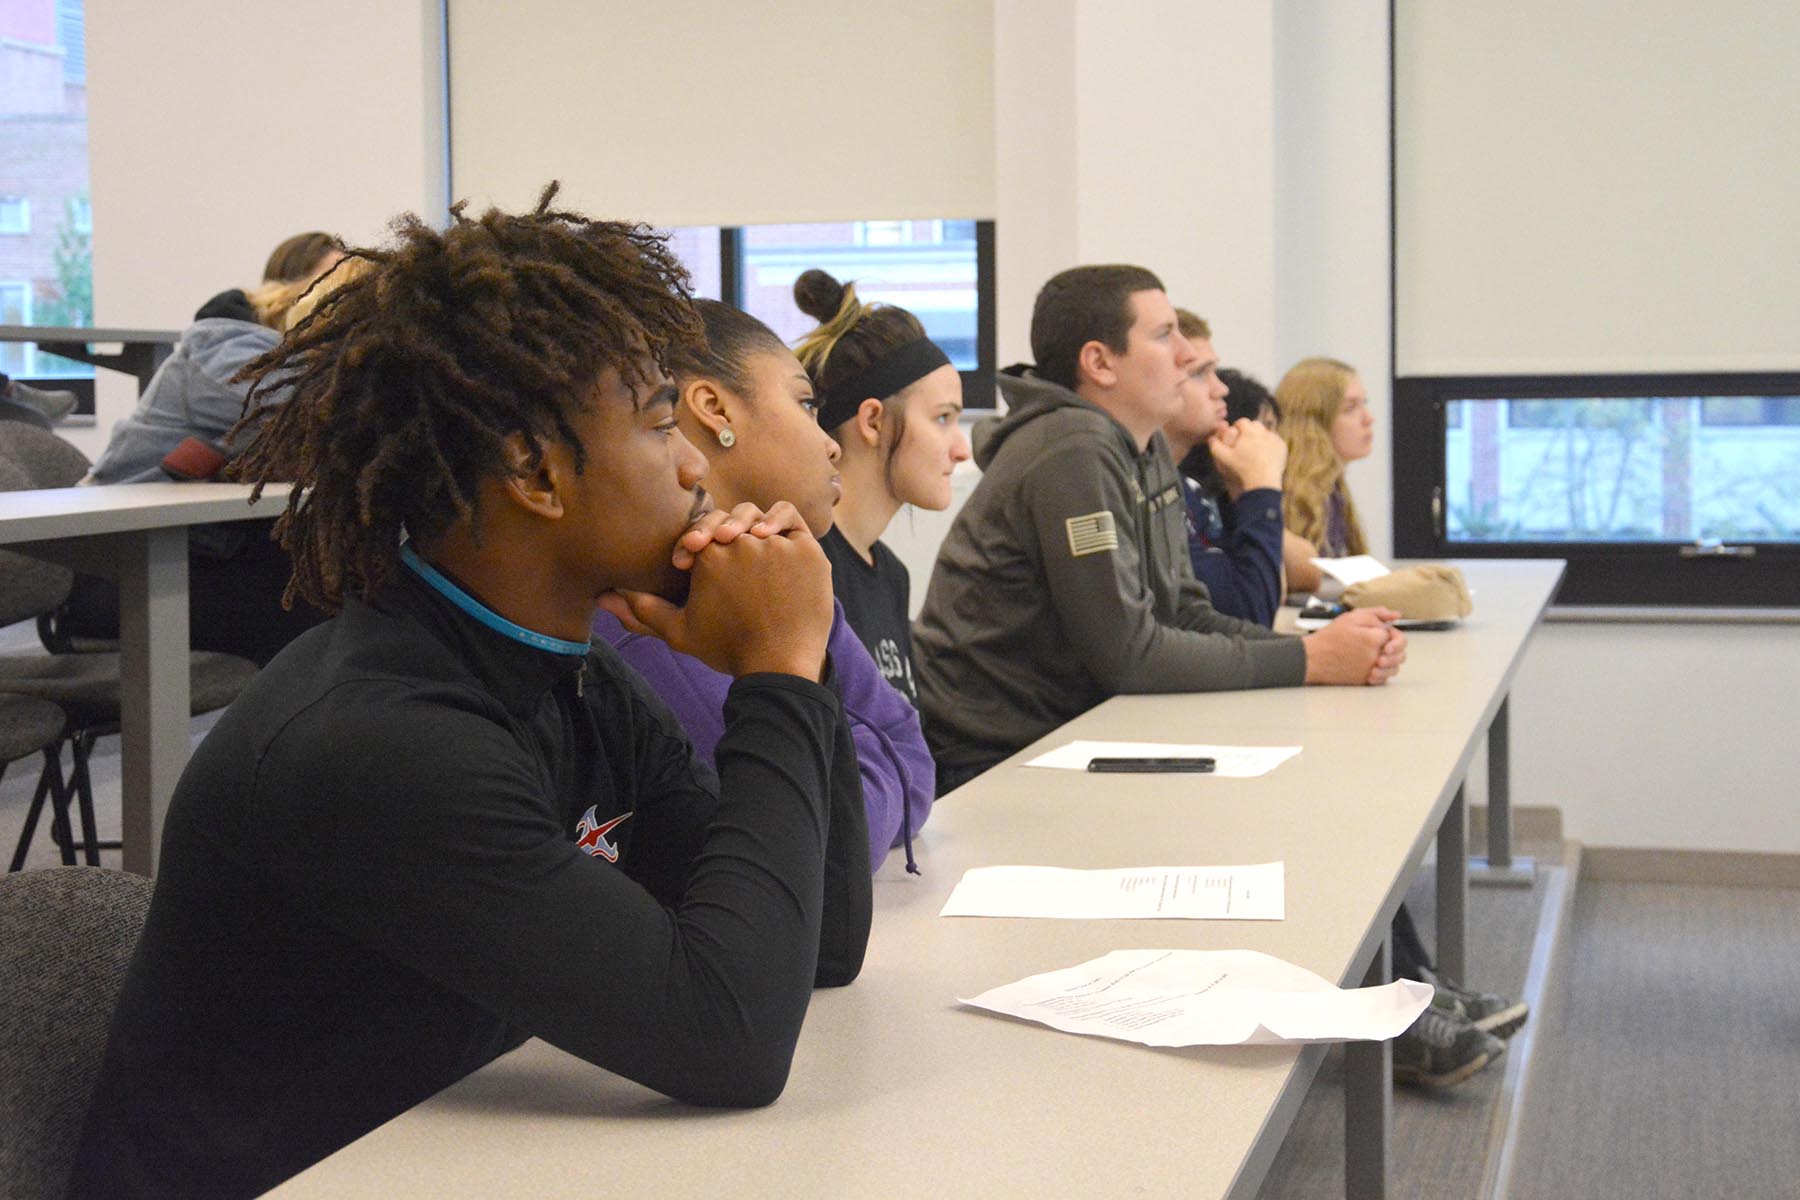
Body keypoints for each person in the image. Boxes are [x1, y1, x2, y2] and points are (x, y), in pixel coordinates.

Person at [69, 188, 872, 1200]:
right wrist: (776, 673)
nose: (692, 466)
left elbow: (823, 943)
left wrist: (796, 660)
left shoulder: (570, 674)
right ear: (535, 475)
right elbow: (733, 1039)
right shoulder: (378, 741)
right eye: (662, 422)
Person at [912, 264, 1407, 797]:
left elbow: (1182, 611)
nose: (1186, 355)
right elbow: (1129, 656)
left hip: (1065, 737)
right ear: (1100, 363)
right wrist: (1310, 660)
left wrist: (1321, 649)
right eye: (1165, 335)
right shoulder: (1073, 448)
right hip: (991, 759)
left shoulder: (1141, 446)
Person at [594, 298, 935, 873]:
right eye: (806, 404)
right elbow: (822, 839)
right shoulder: (643, 615)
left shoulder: (780, 568)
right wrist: (859, 766)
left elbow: (908, 750)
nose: (831, 443)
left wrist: (859, 775)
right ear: (715, 409)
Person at [65, 260, 370, 664]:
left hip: (192, 550)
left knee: (343, 587)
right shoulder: (226, 353)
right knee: (319, 605)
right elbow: (322, 414)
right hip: (114, 569)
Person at [789, 268, 971, 706]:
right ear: (872, 421)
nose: (962, 449)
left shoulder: (891, 575)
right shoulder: (805, 567)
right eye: (942, 418)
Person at [1159, 311, 1287, 626]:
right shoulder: (1151, 487)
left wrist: (1243, 490)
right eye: (1200, 373)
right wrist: (1262, 488)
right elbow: (1247, 616)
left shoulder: (1184, 488)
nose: (1221, 389)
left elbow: (1258, 596)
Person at [1277, 356, 1373, 596]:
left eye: (1364, 403)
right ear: (1313, 423)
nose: (1368, 419)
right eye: (1350, 408)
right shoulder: (1285, 494)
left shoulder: (1332, 490)